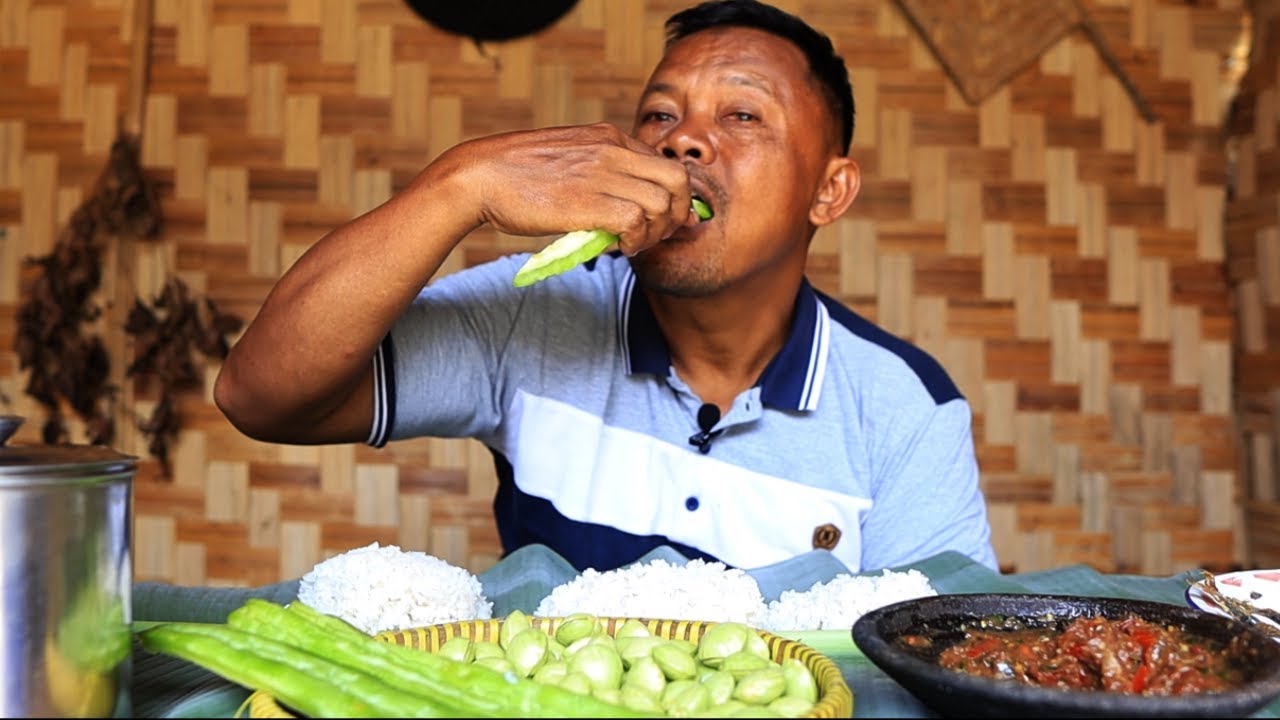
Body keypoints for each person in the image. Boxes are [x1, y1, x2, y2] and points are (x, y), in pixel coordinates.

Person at [214, 0, 999, 574]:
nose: (681, 138)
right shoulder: (535, 315)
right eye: (659, 114)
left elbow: (928, 659)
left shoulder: (906, 412)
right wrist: (461, 184)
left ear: (830, 192)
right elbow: (258, 396)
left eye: (744, 116)